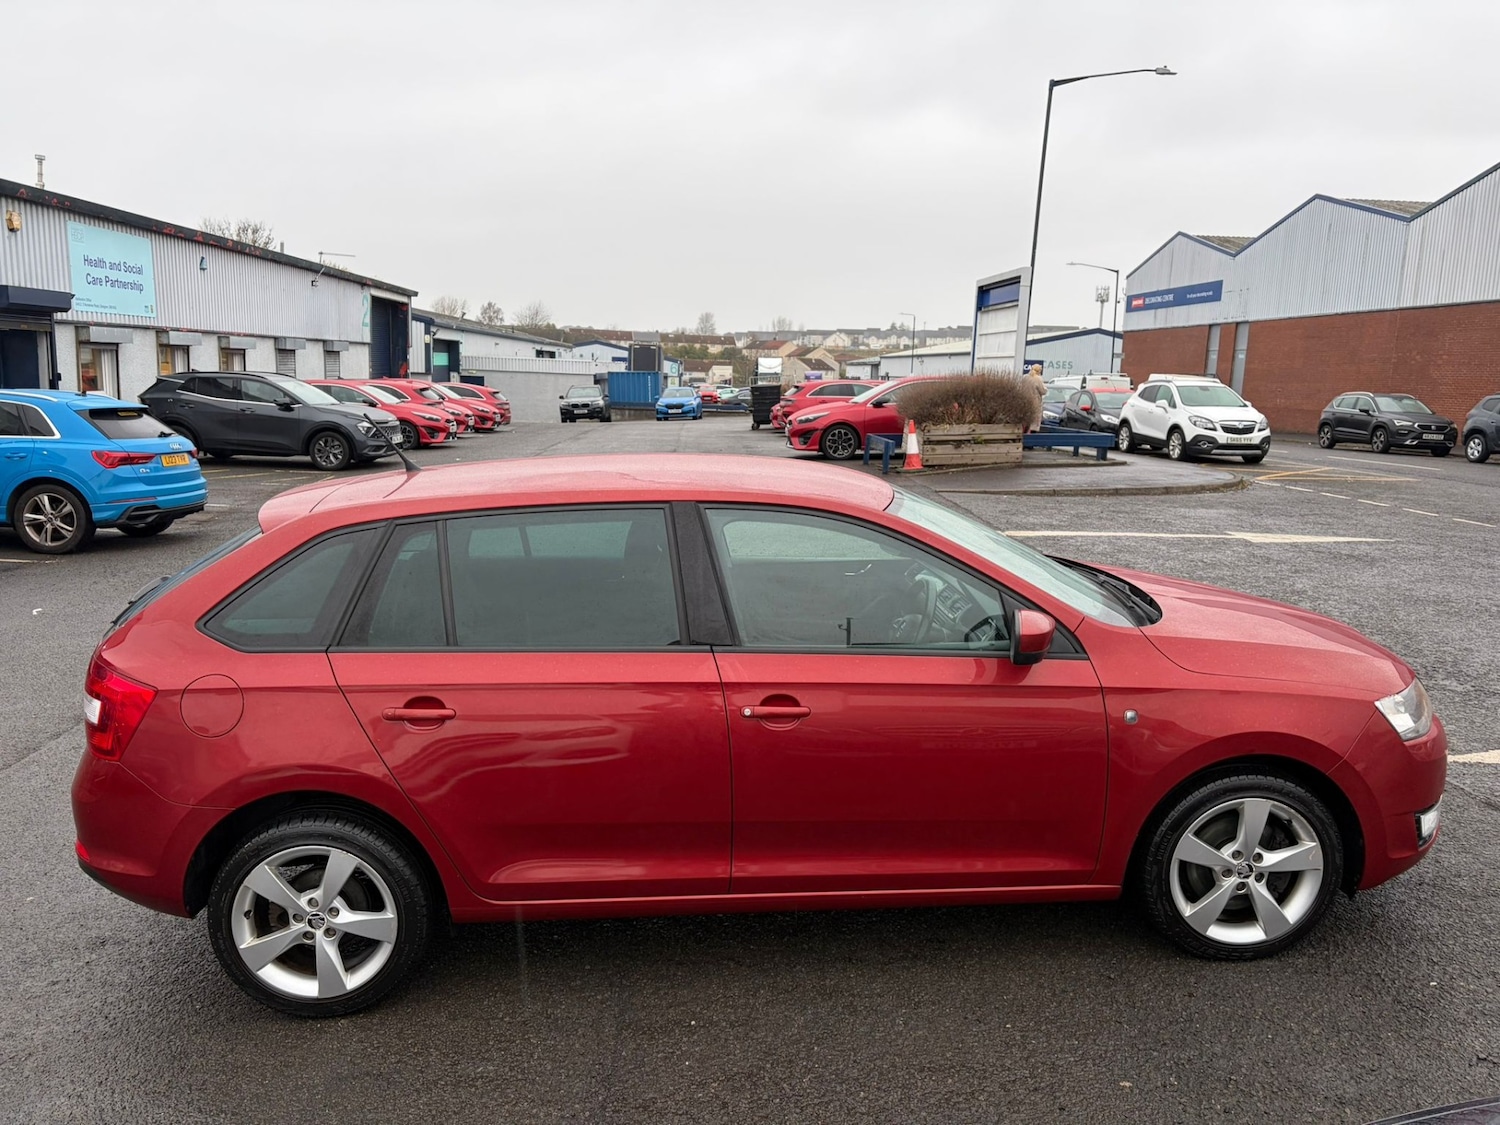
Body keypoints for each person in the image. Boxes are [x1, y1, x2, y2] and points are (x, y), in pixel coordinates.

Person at [1023, 363, 1047, 433]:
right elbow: (1043, 391)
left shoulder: (1025, 377)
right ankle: (1032, 436)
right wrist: (1046, 389)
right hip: (1035, 402)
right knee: (1034, 421)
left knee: (1026, 419)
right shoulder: (1038, 379)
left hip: (1024, 401)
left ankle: (1025, 433)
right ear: (1039, 371)